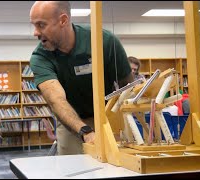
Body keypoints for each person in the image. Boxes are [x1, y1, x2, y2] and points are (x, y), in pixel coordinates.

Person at [29, 1, 133, 155]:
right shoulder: (40, 57)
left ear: (63, 20)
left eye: (41, 25)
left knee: (118, 162)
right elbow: (56, 100)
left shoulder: (104, 41)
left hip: (108, 115)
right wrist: (85, 130)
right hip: (71, 121)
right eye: (33, 25)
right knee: (72, 167)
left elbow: (128, 85)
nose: (35, 32)